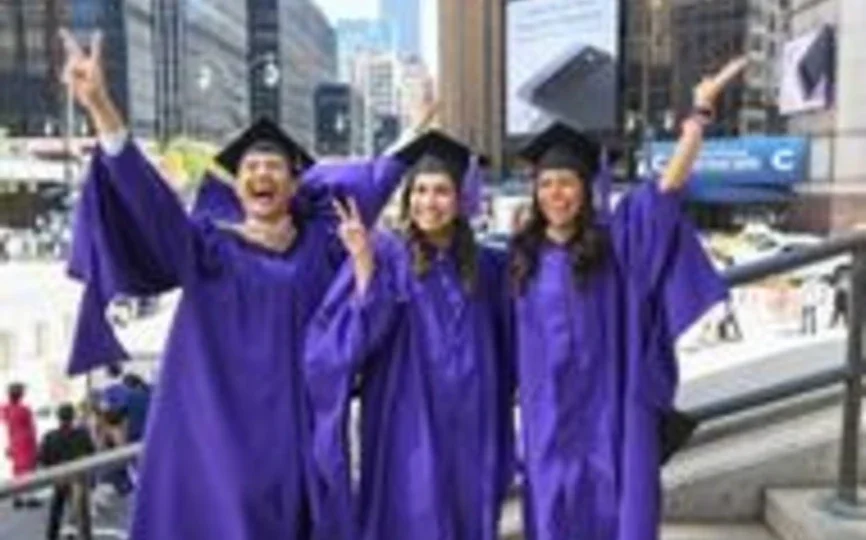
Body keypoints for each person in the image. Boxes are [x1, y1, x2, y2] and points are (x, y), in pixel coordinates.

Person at [59, 29, 432, 539]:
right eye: (250, 167)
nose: (261, 173)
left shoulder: (322, 245)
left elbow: (371, 183)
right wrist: (102, 107)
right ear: (237, 186)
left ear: (294, 182)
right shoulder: (206, 248)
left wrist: (418, 126)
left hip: (297, 445)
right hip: (218, 448)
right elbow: (149, 204)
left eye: (273, 166)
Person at [508, 57, 746, 540]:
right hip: (547, 415)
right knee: (553, 511)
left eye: (567, 183)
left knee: (617, 507)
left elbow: (664, 193)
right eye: (546, 184)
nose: (557, 194)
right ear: (535, 193)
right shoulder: (517, 259)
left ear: (585, 189)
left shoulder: (616, 245)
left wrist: (697, 119)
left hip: (610, 409)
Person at [304, 132, 514, 540]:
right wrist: (364, 269)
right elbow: (345, 345)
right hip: (405, 419)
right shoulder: (384, 253)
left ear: (460, 200)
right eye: (419, 190)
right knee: (408, 514)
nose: (428, 202)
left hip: (470, 422)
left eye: (440, 191)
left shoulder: (488, 266)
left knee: (465, 512)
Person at [39, 404, 97, 540]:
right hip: (77, 479)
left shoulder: (50, 436)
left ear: (58, 417)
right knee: (82, 513)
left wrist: (53, 474)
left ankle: (51, 536)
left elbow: (43, 459)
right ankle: (86, 537)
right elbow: (92, 454)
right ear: (73, 417)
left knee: (56, 511)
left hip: (59, 478)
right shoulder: (82, 434)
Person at [0, 383, 41, 509]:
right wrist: (36, 446)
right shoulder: (24, 410)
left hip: (14, 442)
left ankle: (17, 497)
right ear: (20, 395)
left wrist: (9, 446)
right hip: (26, 442)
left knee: (18, 471)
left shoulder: (6, 409)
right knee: (29, 470)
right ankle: (30, 497)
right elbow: (31, 428)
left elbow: (7, 426)